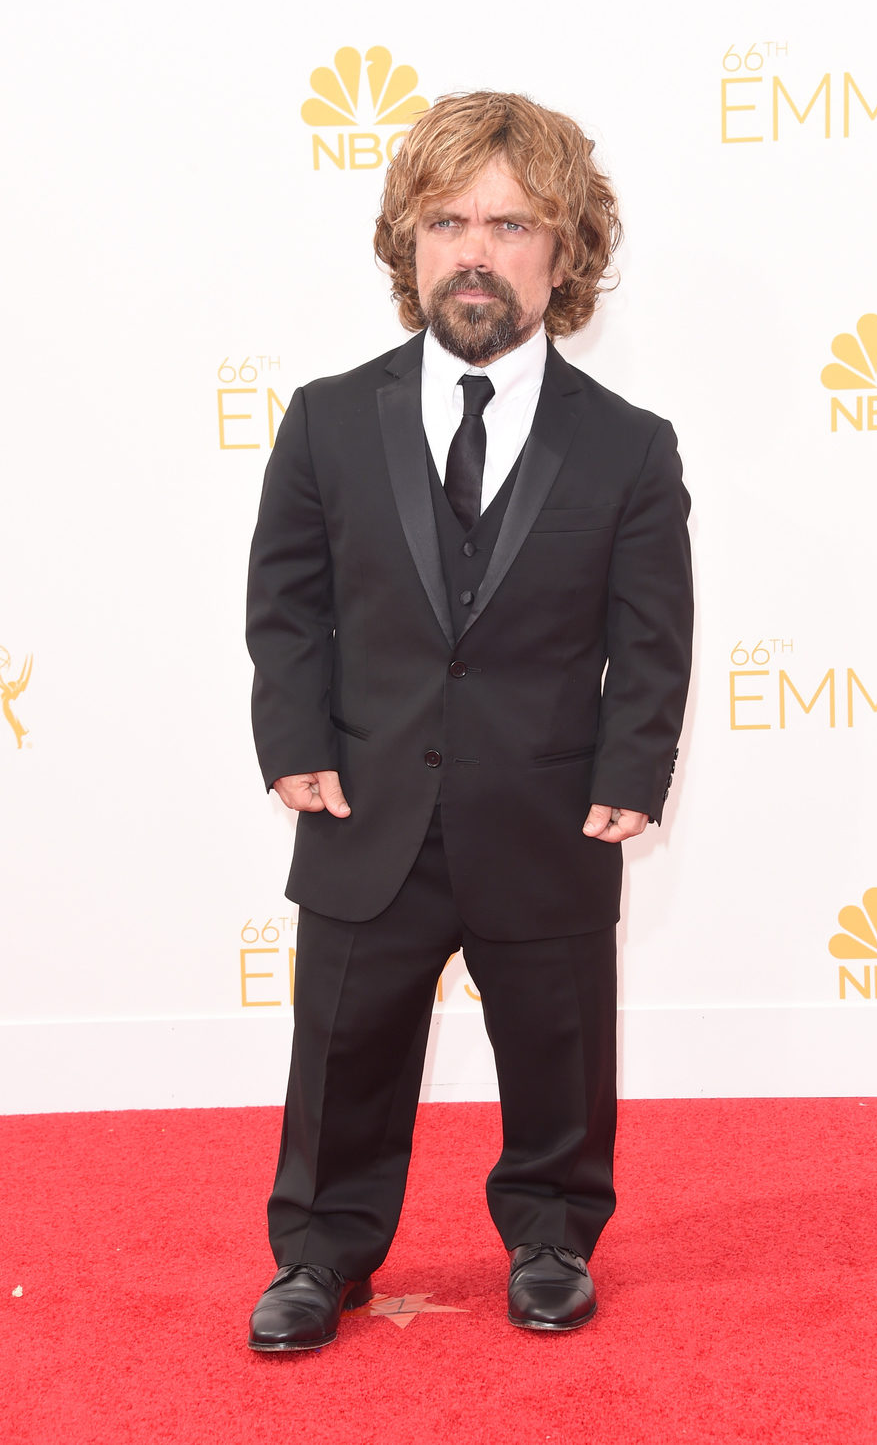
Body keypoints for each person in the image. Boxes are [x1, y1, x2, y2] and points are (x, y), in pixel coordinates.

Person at [244, 90, 694, 1350]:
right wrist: (295, 743)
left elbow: (650, 631)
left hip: (545, 804)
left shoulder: (626, 447)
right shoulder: (328, 418)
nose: (475, 250)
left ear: (565, 251)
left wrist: (633, 766)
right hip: (364, 800)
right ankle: (318, 1251)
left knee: (558, 1043)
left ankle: (551, 1232)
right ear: (408, 241)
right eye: (446, 220)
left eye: (509, 223)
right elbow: (287, 602)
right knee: (343, 1049)